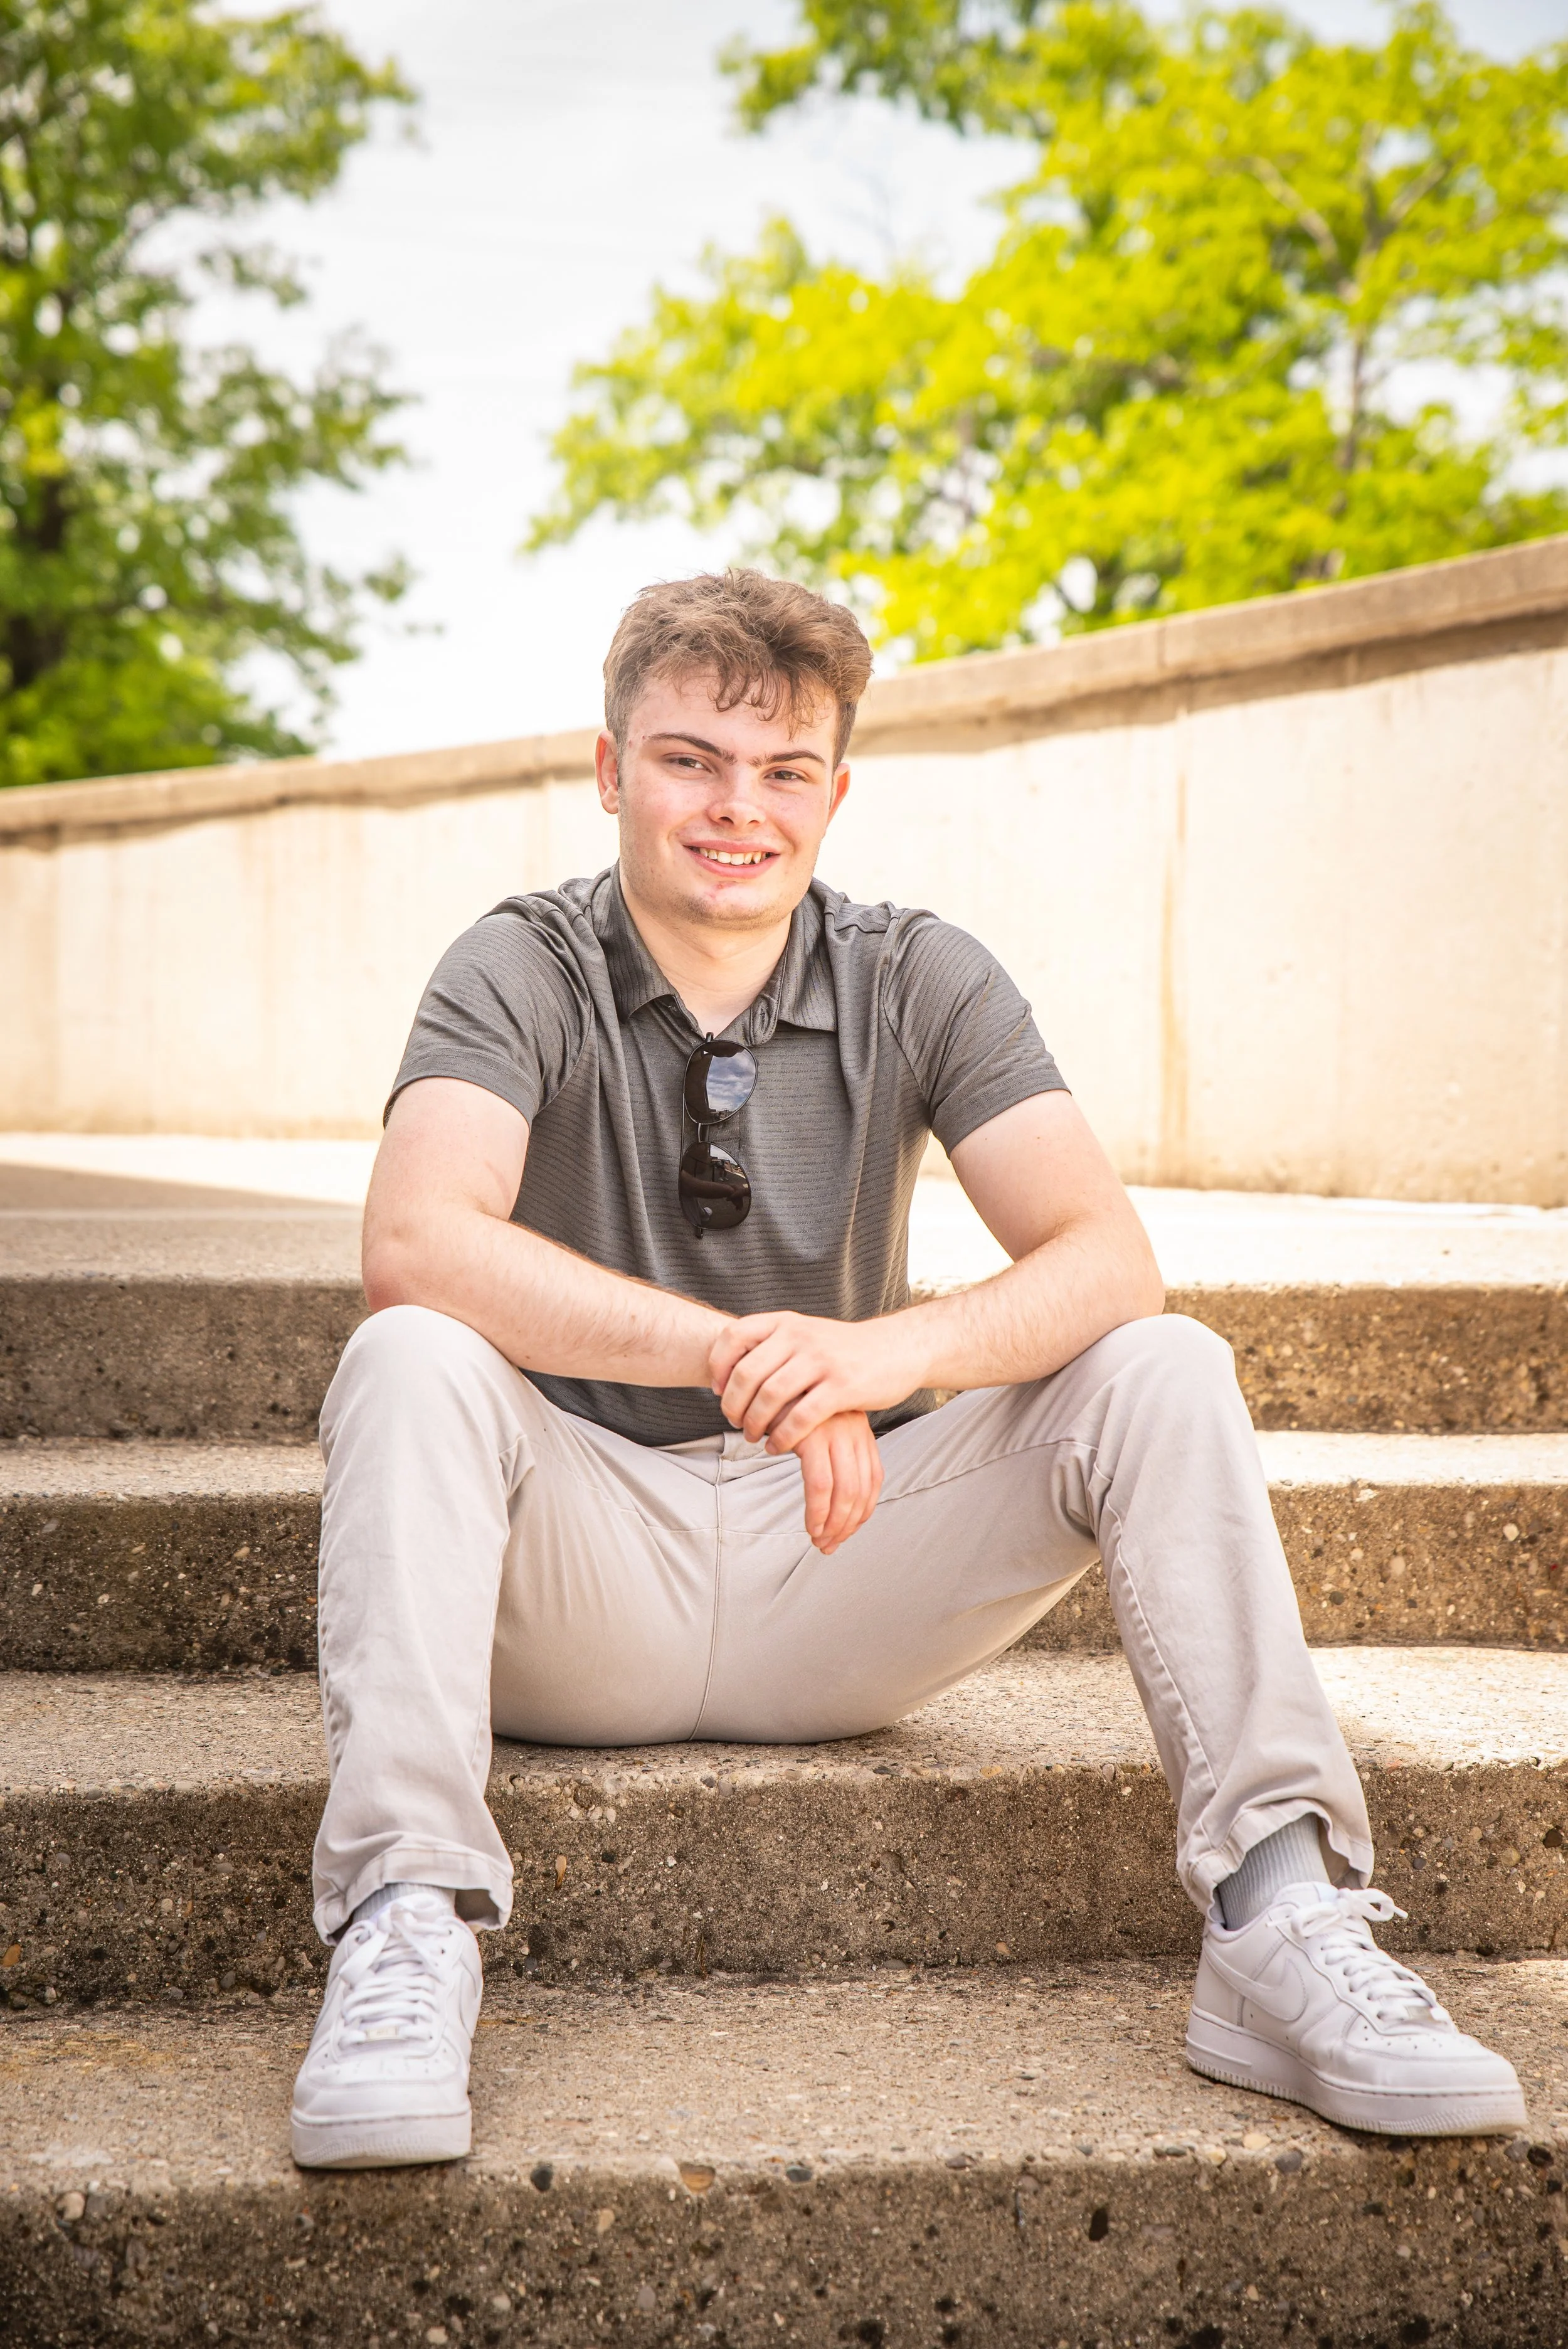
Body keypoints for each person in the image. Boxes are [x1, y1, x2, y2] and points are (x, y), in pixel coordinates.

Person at [289, 570, 1524, 2171]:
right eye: (688, 761)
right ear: (609, 772)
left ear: (835, 793)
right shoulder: (518, 963)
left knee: (1160, 1364)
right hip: (573, 1577)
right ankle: (402, 1927)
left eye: (784, 771)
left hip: (840, 1563)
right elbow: (416, 1239)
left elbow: (1102, 1256)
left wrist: (882, 1356)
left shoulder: (914, 972)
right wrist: (737, 1355)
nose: (738, 808)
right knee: (406, 1357)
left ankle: (1277, 1917)